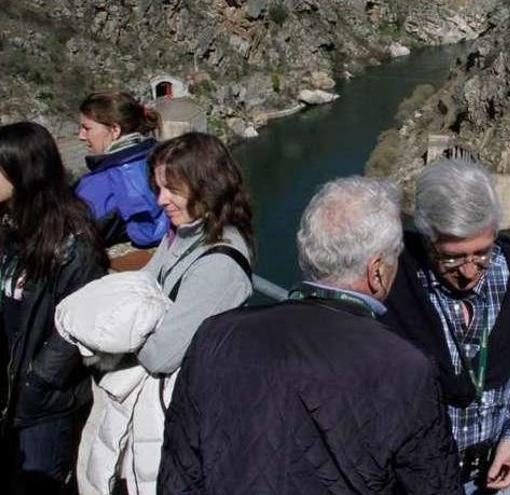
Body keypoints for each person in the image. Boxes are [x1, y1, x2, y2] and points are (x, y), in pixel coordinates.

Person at [159, 176, 461, 494]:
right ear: (377, 271)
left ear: (306, 250)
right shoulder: (406, 368)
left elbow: (179, 478)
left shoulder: (215, 336)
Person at [380, 158, 510, 494]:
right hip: (418, 481)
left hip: (494, 469)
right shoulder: (397, 288)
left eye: (481, 254)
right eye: (453, 257)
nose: (470, 271)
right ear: (428, 241)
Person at [102, 132, 253, 495]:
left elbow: (159, 354)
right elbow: (140, 285)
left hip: (188, 415)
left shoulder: (219, 264)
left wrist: (128, 328)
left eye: (172, 189)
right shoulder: (182, 233)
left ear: (207, 186)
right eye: (158, 187)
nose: (160, 200)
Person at [0, 122, 109, 494]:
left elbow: (76, 324)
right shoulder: (10, 226)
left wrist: (35, 382)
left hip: (43, 404)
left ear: (22, 171)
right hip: (12, 392)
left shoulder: (73, 243)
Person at [76, 91, 169, 248]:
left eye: (87, 128)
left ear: (115, 130)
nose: (81, 136)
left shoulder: (108, 179)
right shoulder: (160, 156)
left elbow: (146, 233)